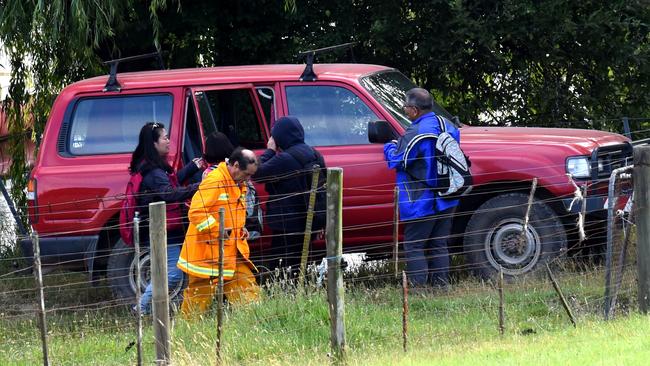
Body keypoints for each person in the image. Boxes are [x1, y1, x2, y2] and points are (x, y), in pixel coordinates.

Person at [383, 88, 460, 288]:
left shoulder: (416, 132)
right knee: (439, 243)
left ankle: (418, 290)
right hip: (448, 194)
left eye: (406, 107)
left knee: (415, 245)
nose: (405, 110)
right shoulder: (448, 125)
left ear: (415, 110)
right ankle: (441, 287)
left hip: (421, 198)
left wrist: (390, 146)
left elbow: (396, 161)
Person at [129, 122, 202, 314]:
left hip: (163, 227)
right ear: (154, 143)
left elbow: (169, 183)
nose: (168, 141)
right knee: (172, 273)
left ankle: (147, 308)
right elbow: (168, 193)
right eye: (164, 137)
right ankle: (142, 308)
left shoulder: (152, 167)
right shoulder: (153, 171)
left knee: (164, 271)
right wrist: (198, 187)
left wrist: (191, 169)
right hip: (161, 229)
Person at [177, 147, 261, 316]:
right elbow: (196, 212)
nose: (248, 179)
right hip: (207, 255)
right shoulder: (214, 180)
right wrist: (218, 229)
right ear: (236, 165)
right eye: (247, 174)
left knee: (250, 296)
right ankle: (186, 335)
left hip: (231, 252)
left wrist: (240, 229)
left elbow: (231, 213)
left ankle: (258, 327)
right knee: (196, 302)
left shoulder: (237, 182)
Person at [252, 116, 324, 272]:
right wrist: (320, 223)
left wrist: (269, 151)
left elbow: (255, 173)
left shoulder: (285, 159)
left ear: (279, 137)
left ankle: (281, 292)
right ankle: (298, 291)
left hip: (286, 224)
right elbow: (323, 188)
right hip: (309, 221)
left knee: (280, 267)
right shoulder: (315, 154)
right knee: (299, 264)